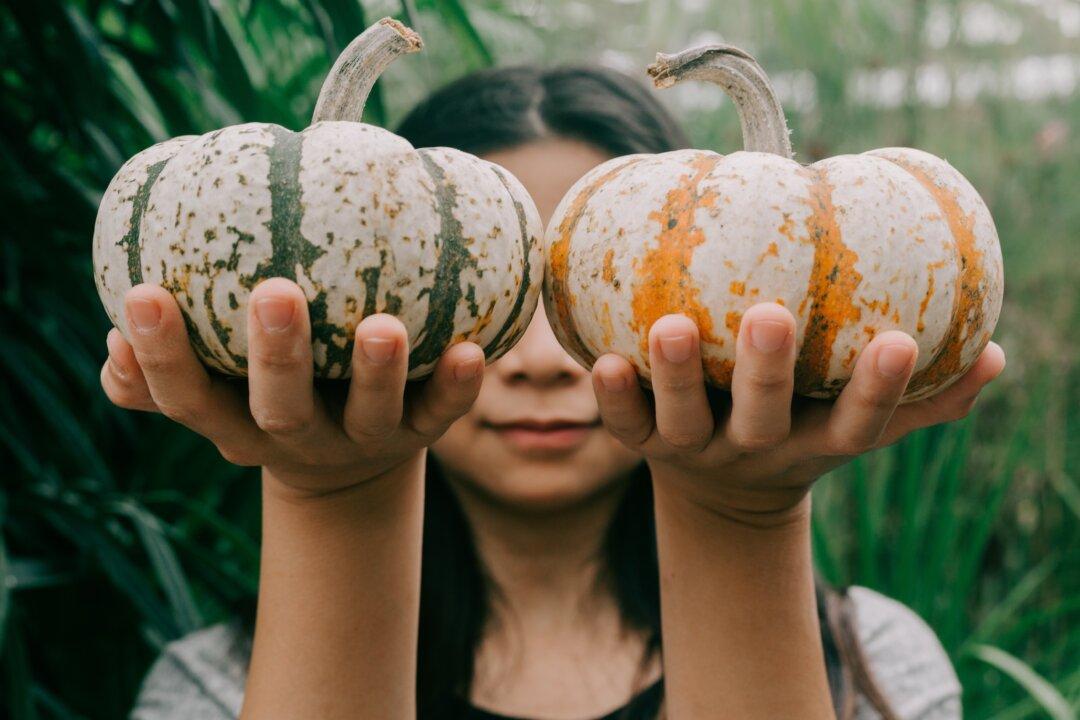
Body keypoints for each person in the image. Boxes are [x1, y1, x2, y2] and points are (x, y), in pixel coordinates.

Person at [107, 64, 1006, 720]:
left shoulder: (872, 665)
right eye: (494, 282)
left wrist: (743, 513)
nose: (540, 360)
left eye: (589, 285)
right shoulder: (214, 687)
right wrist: (333, 497)